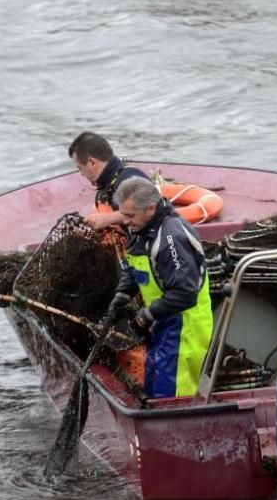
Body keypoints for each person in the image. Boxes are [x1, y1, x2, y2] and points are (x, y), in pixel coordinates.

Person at [107, 177, 213, 398]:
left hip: (185, 324)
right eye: (123, 214)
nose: (125, 221)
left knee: (173, 393)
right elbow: (134, 266)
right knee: (154, 383)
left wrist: (147, 314)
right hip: (162, 321)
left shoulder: (171, 238)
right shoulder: (140, 229)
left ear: (151, 208)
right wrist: (123, 293)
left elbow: (185, 294)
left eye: (130, 216)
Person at [68, 132, 148, 230]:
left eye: (80, 168)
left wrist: (108, 219)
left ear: (92, 163)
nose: (81, 173)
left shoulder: (129, 179)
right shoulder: (108, 181)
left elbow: (148, 210)